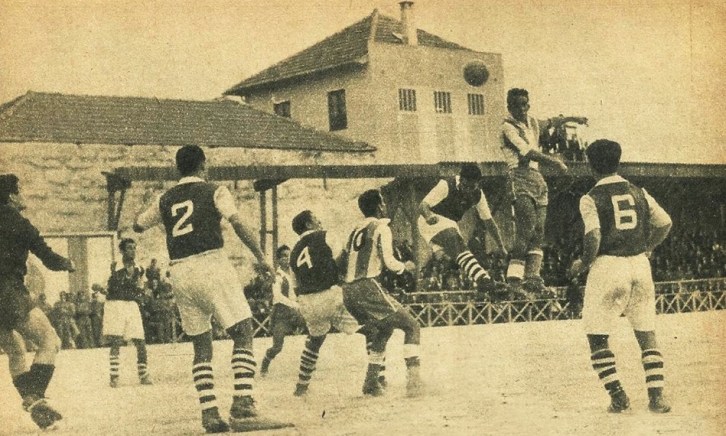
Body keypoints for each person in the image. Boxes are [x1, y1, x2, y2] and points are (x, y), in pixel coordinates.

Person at [134, 144, 292, 433]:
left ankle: (209, 413)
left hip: (180, 271)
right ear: (203, 165)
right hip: (211, 264)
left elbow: (137, 225)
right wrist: (261, 257)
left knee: (201, 345)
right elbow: (238, 223)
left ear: (177, 169)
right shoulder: (215, 190)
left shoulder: (164, 199)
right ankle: (243, 407)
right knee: (243, 330)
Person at [568, 139, 672, 413]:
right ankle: (657, 398)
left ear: (590, 165)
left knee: (597, 337)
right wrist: (648, 247)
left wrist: (582, 263)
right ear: (618, 161)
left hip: (608, 267)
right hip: (639, 265)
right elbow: (665, 222)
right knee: (646, 334)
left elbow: (594, 236)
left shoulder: (590, 198)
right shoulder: (639, 192)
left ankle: (618, 396)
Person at [0, 173, 75, 429]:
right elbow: (49, 259)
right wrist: (67, 263)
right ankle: (34, 395)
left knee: (15, 351)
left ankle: (36, 408)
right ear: (11, 196)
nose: (23, 195)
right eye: (19, 190)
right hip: (8, 292)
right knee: (49, 340)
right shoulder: (21, 224)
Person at [500, 88, 586, 294]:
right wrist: (555, 162)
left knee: (539, 230)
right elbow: (527, 152)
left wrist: (574, 118)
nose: (522, 108)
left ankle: (533, 277)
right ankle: (513, 281)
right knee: (526, 228)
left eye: (525, 104)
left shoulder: (532, 123)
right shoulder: (507, 127)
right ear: (509, 107)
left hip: (537, 178)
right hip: (519, 176)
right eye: (517, 105)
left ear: (528, 105)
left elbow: (552, 121)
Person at [343, 189, 423, 397]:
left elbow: (343, 260)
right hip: (367, 286)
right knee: (412, 326)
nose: (385, 206)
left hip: (348, 290)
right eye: (383, 203)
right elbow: (389, 261)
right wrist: (405, 267)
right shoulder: (381, 227)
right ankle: (414, 383)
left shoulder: (354, 230)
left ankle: (370, 382)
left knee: (383, 330)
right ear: (379, 206)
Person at [288, 210, 360, 397]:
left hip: (307, 302)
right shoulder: (326, 236)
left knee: (315, 341)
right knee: (374, 328)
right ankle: (376, 379)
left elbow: (295, 286)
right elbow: (342, 260)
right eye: (316, 219)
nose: (320, 221)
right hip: (330, 294)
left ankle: (301, 386)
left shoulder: (293, 252)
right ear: (308, 224)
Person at [418, 163, 508, 294]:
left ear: (478, 184)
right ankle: (483, 280)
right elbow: (423, 206)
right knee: (456, 243)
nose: (468, 190)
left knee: (455, 255)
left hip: (450, 224)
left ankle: (482, 284)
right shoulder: (446, 184)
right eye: (465, 186)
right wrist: (428, 216)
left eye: (472, 187)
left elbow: (489, 222)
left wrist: (501, 246)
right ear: (460, 179)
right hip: (431, 221)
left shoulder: (478, 195)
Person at [99, 238, 153, 387]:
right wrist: (103, 289)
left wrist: (143, 293)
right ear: (122, 251)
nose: (133, 251)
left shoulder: (140, 269)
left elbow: (142, 286)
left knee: (140, 340)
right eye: (129, 248)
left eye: (134, 248)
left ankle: (143, 374)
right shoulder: (113, 266)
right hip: (115, 305)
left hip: (132, 305)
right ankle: (114, 376)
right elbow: (99, 285)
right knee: (116, 341)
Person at [260, 245, 306, 376]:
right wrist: (294, 305)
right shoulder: (278, 276)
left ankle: (309, 360)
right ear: (278, 260)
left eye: (289, 256)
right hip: (282, 312)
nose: (287, 258)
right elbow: (278, 296)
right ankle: (265, 364)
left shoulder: (295, 274)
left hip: (297, 311)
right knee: (277, 347)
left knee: (315, 328)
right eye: (284, 256)